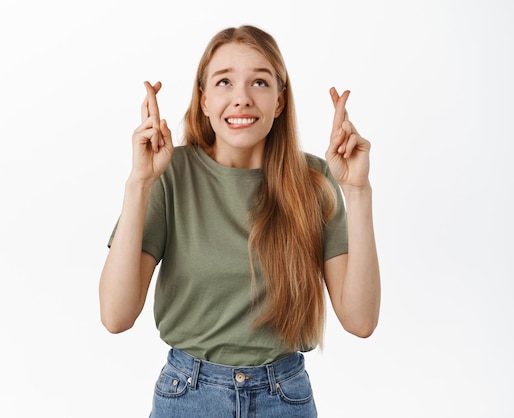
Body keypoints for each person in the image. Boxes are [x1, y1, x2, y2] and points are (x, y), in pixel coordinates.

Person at [99, 24, 380, 417]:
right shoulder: (170, 176)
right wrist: (139, 183)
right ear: (204, 100)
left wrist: (357, 192)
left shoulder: (313, 180)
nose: (242, 98)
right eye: (224, 82)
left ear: (279, 101)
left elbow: (361, 320)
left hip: (284, 397)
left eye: (260, 83)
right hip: (190, 396)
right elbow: (116, 315)